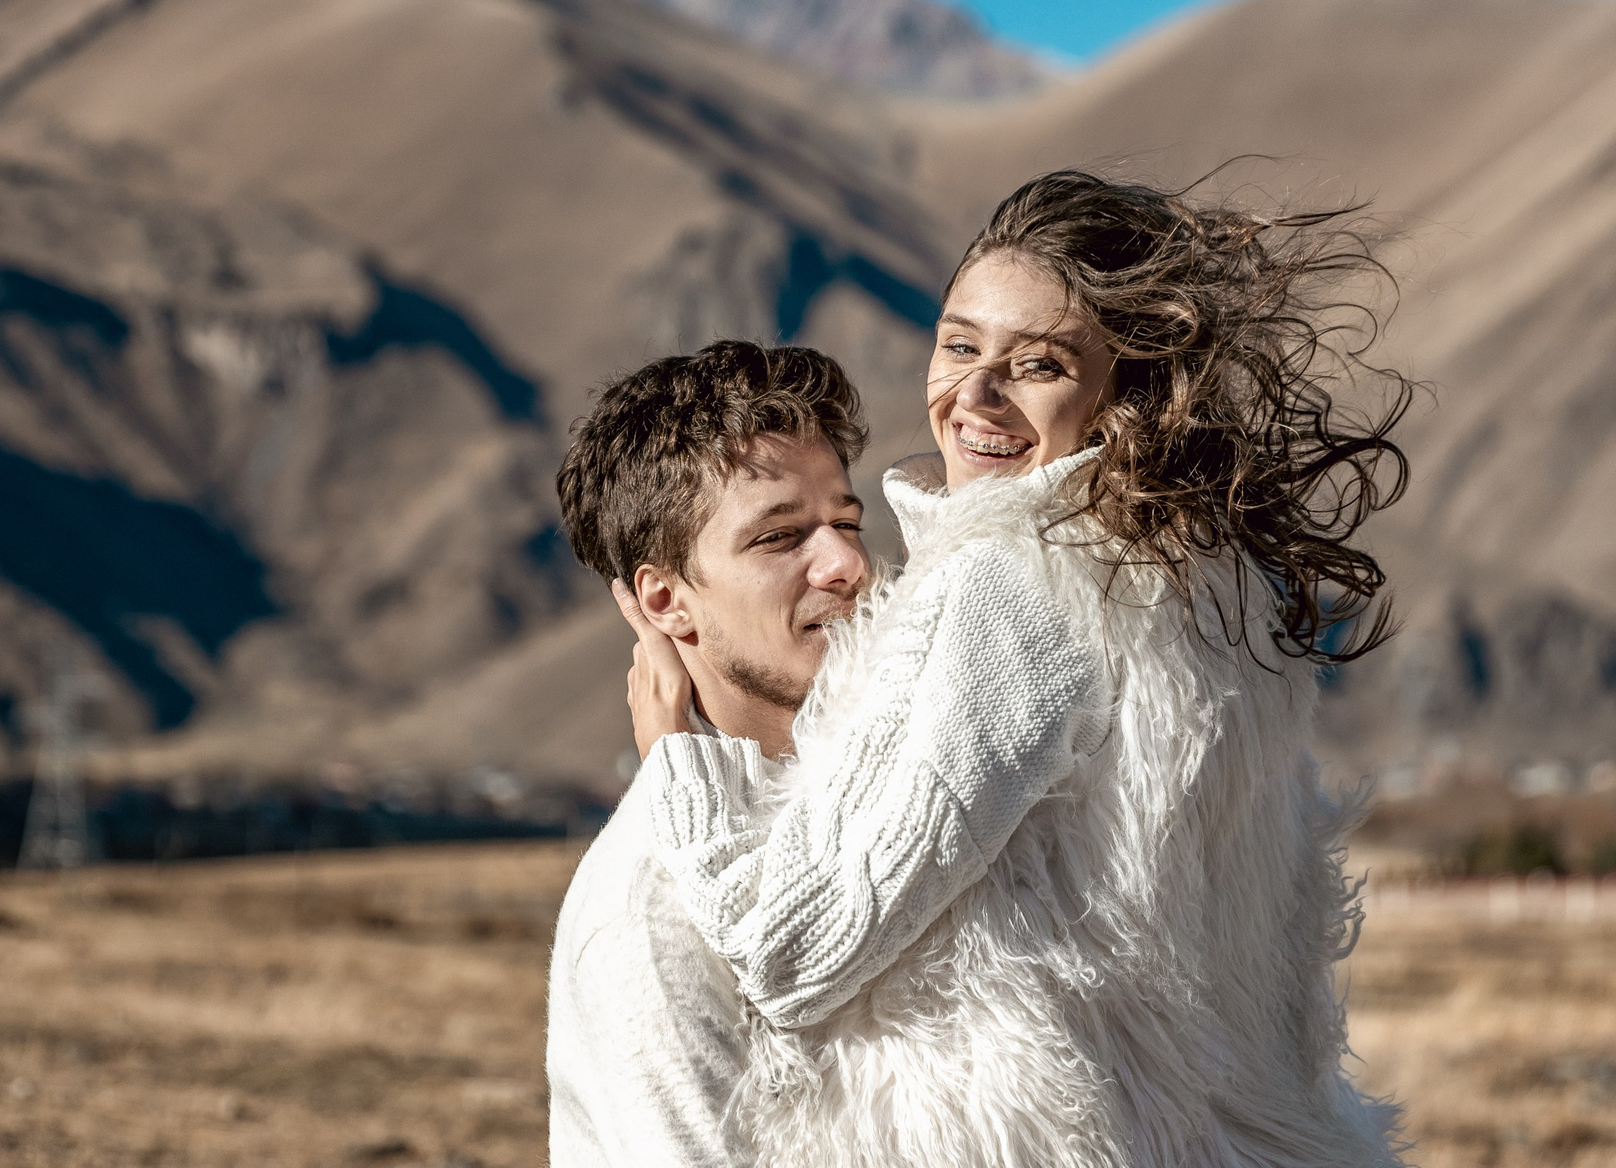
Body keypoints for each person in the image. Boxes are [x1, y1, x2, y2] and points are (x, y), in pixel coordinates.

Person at [618, 170, 1415, 1168]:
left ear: (1126, 391)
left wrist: (677, 758)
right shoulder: (1211, 590)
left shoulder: (1012, 581)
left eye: (1038, 363)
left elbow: (793, 950)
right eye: (960, 345)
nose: (975, 395)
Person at [546, 341, 875, 1168]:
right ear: (666, 600)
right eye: (780, 536)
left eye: (847, 522)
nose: (847, 564)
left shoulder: (893, 807)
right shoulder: (648, 916)